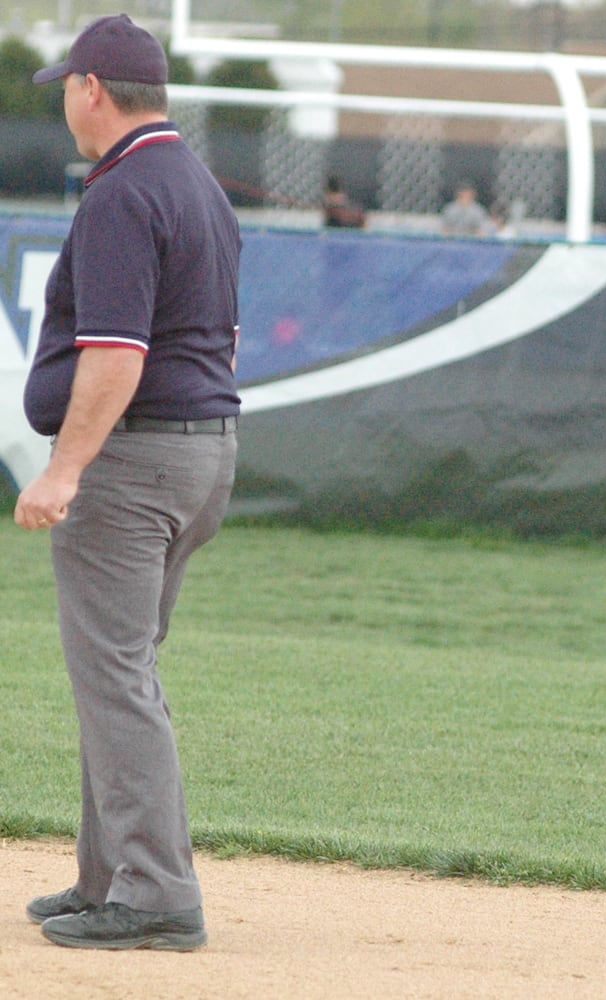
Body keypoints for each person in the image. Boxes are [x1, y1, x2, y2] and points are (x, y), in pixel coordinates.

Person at [15, 14, 241, 949]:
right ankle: (108, 875)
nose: (67, 96)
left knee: (114, 679)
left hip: (136, 460)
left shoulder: (122, 193)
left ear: (92, 89)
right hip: (200, 452)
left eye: (69, 82)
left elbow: (116, 354)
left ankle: (155, 895)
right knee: (124, 671)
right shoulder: (195, 182)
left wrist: (63, 468)